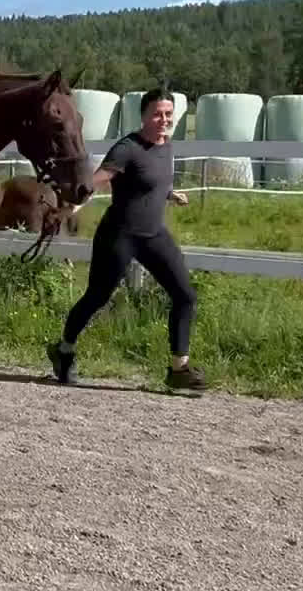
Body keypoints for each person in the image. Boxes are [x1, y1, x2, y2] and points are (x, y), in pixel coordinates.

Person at [47, 87, 206, 390]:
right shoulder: (127, 147)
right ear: (144, 116)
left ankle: (178, 369)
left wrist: (169, 194)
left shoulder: (167, 146)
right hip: (119, 235)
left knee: (185, 295)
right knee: (97, 297)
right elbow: (100, 178)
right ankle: (63, 349)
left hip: (153, 234)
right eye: (157, 114)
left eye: (168, 114)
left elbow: (147, 181)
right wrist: (72, 202)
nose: (163, 120)